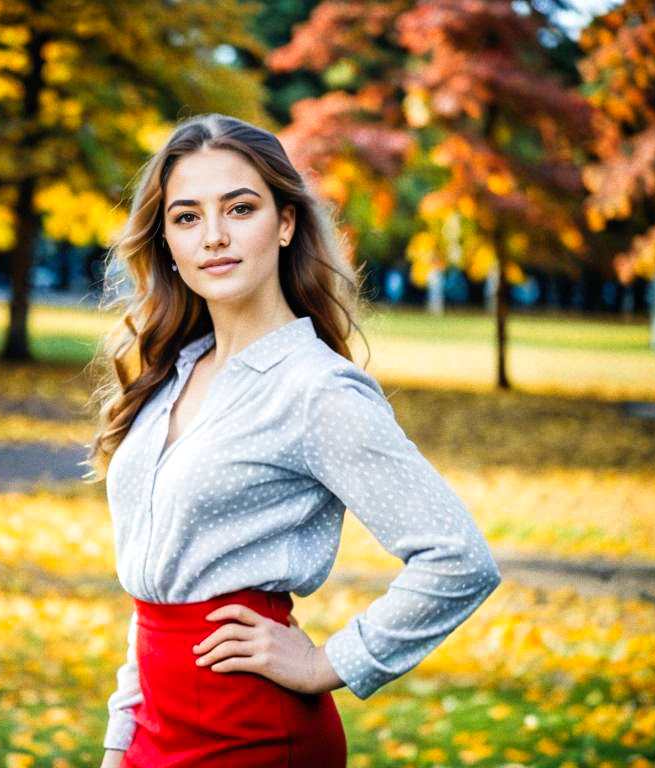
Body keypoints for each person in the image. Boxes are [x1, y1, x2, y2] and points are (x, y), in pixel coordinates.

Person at [82, 113, 503, 767]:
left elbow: (459, 560)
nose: (214, 237)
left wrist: (329, 662)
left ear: (284, 223)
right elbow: (155, 590)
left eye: (240, 208)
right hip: (154, 734)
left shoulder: (317, 390)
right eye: (187, 217)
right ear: (164, 240)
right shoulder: (171, 374)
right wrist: (119, 743)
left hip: (252, 735)